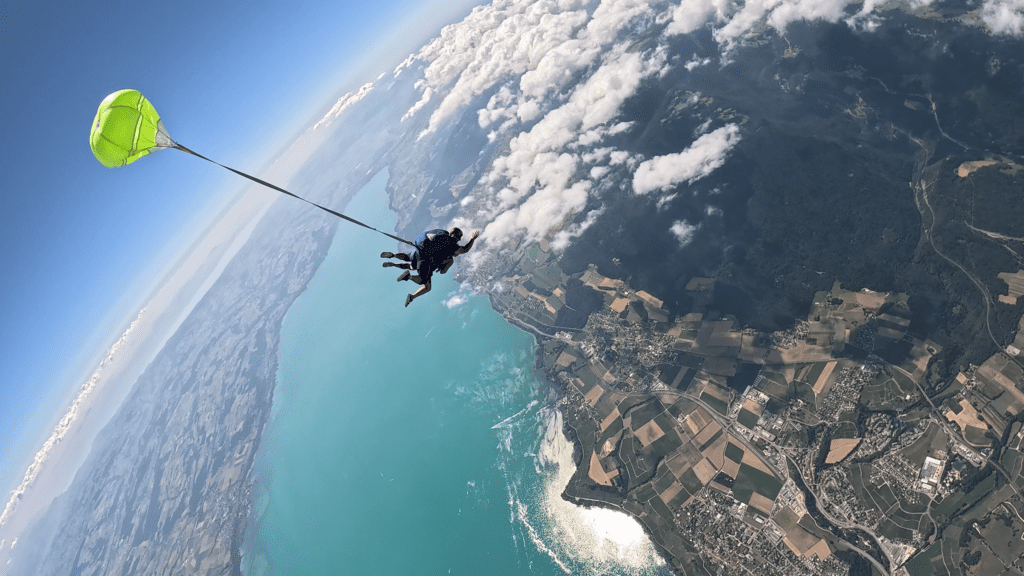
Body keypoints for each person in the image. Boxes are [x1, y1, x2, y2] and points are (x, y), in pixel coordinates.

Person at [381, 227, 479, 307]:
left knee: (408, 259)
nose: (459, 240)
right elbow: (464, 250)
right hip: (425, 261)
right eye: (459, 237)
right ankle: (408, 277)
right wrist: (473, 239)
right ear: (454, 236)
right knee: (425, 284)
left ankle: (393, 256)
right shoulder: (450, 250)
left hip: (419, 251)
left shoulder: (442, 233)